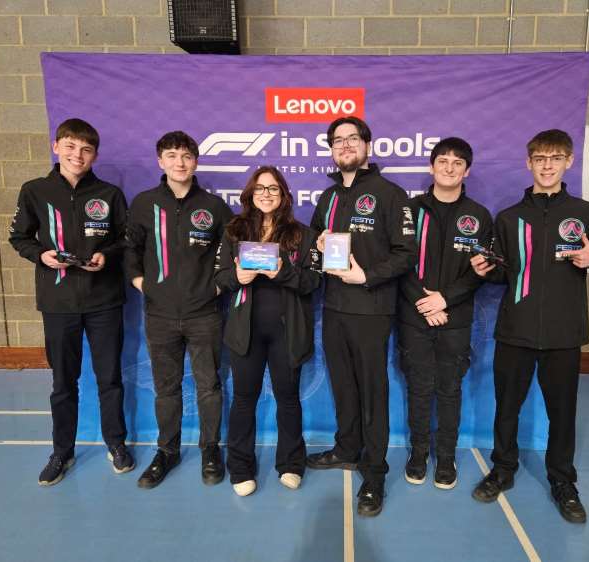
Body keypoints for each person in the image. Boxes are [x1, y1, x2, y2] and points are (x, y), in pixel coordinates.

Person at [470, 129, 589, 523]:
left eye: (555, 158)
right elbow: (499, 273)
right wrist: (482, 270)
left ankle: (562, 482)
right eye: (540, 158)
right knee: (507, 407)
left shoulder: (586, 213)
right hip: (516, 330)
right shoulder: (508, 218)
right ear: (528, 163)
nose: (547, 165)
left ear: (568, 162)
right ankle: (503, 469)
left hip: (563, 333)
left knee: (563, 412)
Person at [9, 118, 133, 485]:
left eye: (86, 149)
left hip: (104, 300)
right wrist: (40, 255)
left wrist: (105, 257)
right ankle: (61, 452)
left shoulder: (109, 194)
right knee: (64, 382)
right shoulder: (34, 190)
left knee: (110, 379)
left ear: (94, 154)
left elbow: (125, 239)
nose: (77, 155)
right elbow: (19, 237)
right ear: (56, 146)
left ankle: (117, 445)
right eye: (71, 146)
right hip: (58, 301)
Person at [307, 116, 417, 517]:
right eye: (338, 141)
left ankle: (374, 473)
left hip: (372, 309)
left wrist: (367, 275)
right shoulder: (328, 197)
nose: (345, 145)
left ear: (367, 145)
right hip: (333, 308)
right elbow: (315, 245)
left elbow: (406, 254)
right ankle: (347, 449)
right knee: (343, 387)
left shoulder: (391, 194)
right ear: (332, 150)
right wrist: (317, 245)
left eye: (353, 138)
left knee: (373, 393)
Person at [124, 131, 233, 489]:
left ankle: (210, 449)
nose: (179, 163)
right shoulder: (143, 204)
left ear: (196, 161)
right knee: (166, 389)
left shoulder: (215, 208)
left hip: (204, 314)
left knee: (209, 386)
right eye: (171, 156)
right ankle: (167, 451)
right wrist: (142, 284)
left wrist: (216, 287)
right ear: (160, 161)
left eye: (186, 156)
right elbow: (129, 251)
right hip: (160, 315)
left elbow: (230, 257)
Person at [215, 166, 321, 497]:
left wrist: (283, 273)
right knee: (243, 400)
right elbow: (219, 278)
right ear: (250, 194)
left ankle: (291, 464)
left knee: (288, 399)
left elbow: (313, 282)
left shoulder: (301, 234)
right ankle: (241, 467)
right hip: (245, 332)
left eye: (273, 189)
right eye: (260, 188)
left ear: (284, 195)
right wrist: (237, 279)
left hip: (286, 333)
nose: (266, 194)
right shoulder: (234, 231)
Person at [398, 137, 492, 490]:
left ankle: (447, 456)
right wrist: (424, 304)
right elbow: (399, 262)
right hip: (413, 315)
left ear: (466, 170)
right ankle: (419, 454)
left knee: (450, 389)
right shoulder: (409, 210)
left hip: (455, 318)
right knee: (419, 388)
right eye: (443, 161)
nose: (449, 168)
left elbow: (481, 270)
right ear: (431, 166)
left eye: (457, 163)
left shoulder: (479, 216)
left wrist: (445, 300)